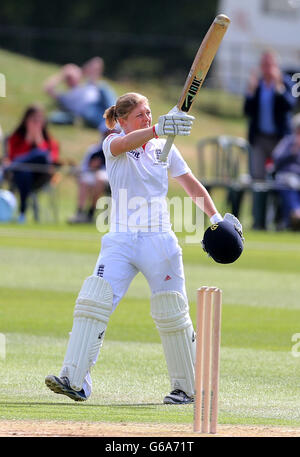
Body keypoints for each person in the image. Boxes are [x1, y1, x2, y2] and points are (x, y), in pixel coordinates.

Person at [45, 92, 240, 405]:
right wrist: (156, 129)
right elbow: (126, 144)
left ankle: (187, 388)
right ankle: (75, 380)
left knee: (172, 312)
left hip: (159, 241)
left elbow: (190, 184)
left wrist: (217, 218)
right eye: (140, 115)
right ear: (122, 121)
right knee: (93, 301)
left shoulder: (165, 147)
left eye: (149, 113)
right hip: (120, 239)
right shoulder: (113, 143)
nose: (147, 118)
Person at [244, 50, 296, 229]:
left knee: (280, 177)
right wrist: (250, 93)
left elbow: (289, 106)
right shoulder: (257, 85)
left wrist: (279, 88)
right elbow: (247, 111)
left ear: (276, 66)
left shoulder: (285, 83)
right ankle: (258, 219)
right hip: (260, 139)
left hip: (280, 141)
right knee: (257, 178)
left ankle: (281, 219)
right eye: (264, 65)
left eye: (270, 64)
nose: (266, 68)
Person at [4, 105, 59, 223]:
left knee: (42, 155)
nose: (36, 123)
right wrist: (28, 140)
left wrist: (39, 140)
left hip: (41, 176)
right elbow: (12, 155)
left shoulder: (49, 141)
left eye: (39, 120)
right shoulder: (16, 137)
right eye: (33, 120)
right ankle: (22, 213)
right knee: (25, 173)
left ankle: (15, 165)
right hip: (19, 176)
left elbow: (51, 160)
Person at [44, 58, 116, 132]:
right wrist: (62, 75)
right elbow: (48, 89)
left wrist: (81, 71)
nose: (71, 79)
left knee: (103, 86)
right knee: (91, 112)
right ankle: (111, 125)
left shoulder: (88, 84)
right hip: (89, 110)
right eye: (68, 78)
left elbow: (98, 62)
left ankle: (117, 113)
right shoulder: (66, 96)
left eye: (73, 75)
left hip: (102, 102)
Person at [67, 140, 109, 224]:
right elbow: (85, 167)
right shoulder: (94, 150)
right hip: (93, 174)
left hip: (109, 177)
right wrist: (92, 166)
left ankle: (91, 213)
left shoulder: (117, 145)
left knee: (99, 179)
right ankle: (80, 212)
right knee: (84, 181)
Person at [272, 113, 300, 230]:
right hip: (285, 176)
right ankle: (295, 213)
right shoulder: (288, 142)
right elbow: (276, 158)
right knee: (290, 184)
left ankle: (294, 216)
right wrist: (292, 151)